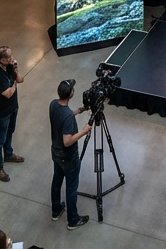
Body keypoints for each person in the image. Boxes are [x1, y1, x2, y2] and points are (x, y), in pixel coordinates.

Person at [49, 77, 91, 229]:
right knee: (71, 187)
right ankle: (73, 219)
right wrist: (84, 131)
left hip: (55, 153)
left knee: (57, 180)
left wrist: (75, 112)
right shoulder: (67, 116)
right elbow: (67, 141)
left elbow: (61, 118)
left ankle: (56, 210)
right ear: (71, 94)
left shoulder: (53, 104)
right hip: (68, 157)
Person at [0, 44, 25, 182]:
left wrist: (16, 70)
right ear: (2, 60)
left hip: (13, 108)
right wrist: (14, 83)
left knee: (10, 132)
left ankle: (9, 154)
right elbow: (9, 93)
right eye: (9, 57)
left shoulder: (10, 66)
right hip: (2, 112)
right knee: (0, 140)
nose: (12, 58)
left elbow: (21, 79)